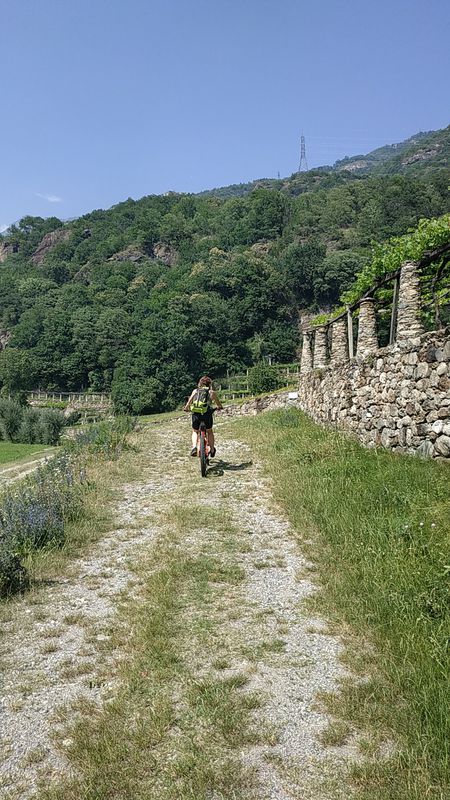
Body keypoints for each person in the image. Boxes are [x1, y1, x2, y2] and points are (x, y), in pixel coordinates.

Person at [184, 376, 223, 457]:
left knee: (195, 431)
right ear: (209, 384)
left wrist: (186, 408)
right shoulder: (211, 392)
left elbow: (189, 401)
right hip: (207, 414)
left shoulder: (195, 391)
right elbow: (218, 403)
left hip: (196, 414)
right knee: (209, 431)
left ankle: (194, 447)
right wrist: (219, 407)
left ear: (200, 383)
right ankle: (212, 450)